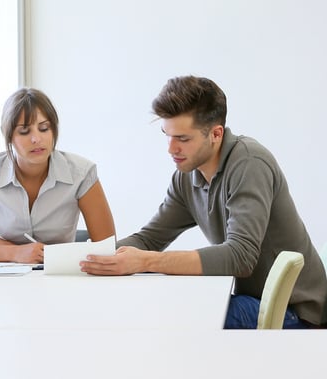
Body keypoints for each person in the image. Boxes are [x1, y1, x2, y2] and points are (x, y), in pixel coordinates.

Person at [80, 75, 327, 329]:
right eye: (167, 135)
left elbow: (240, 256)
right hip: (252, 299)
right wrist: (84, 259)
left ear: (216, 134)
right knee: (167, 302)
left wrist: (145, 260)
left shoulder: (249, 164)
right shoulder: (187, 177)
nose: (171, 148)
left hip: (292, 311)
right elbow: (148, 239)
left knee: (179, 311)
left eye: (183, 139)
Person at [0, 87, 116, 264]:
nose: (36, 139)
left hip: (60, 278)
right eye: (24, 131)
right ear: (8, 135)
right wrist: (13, 253)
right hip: (3, 281)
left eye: (44, 129)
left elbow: (107, 249)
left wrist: (33, 253)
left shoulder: (82, 173)